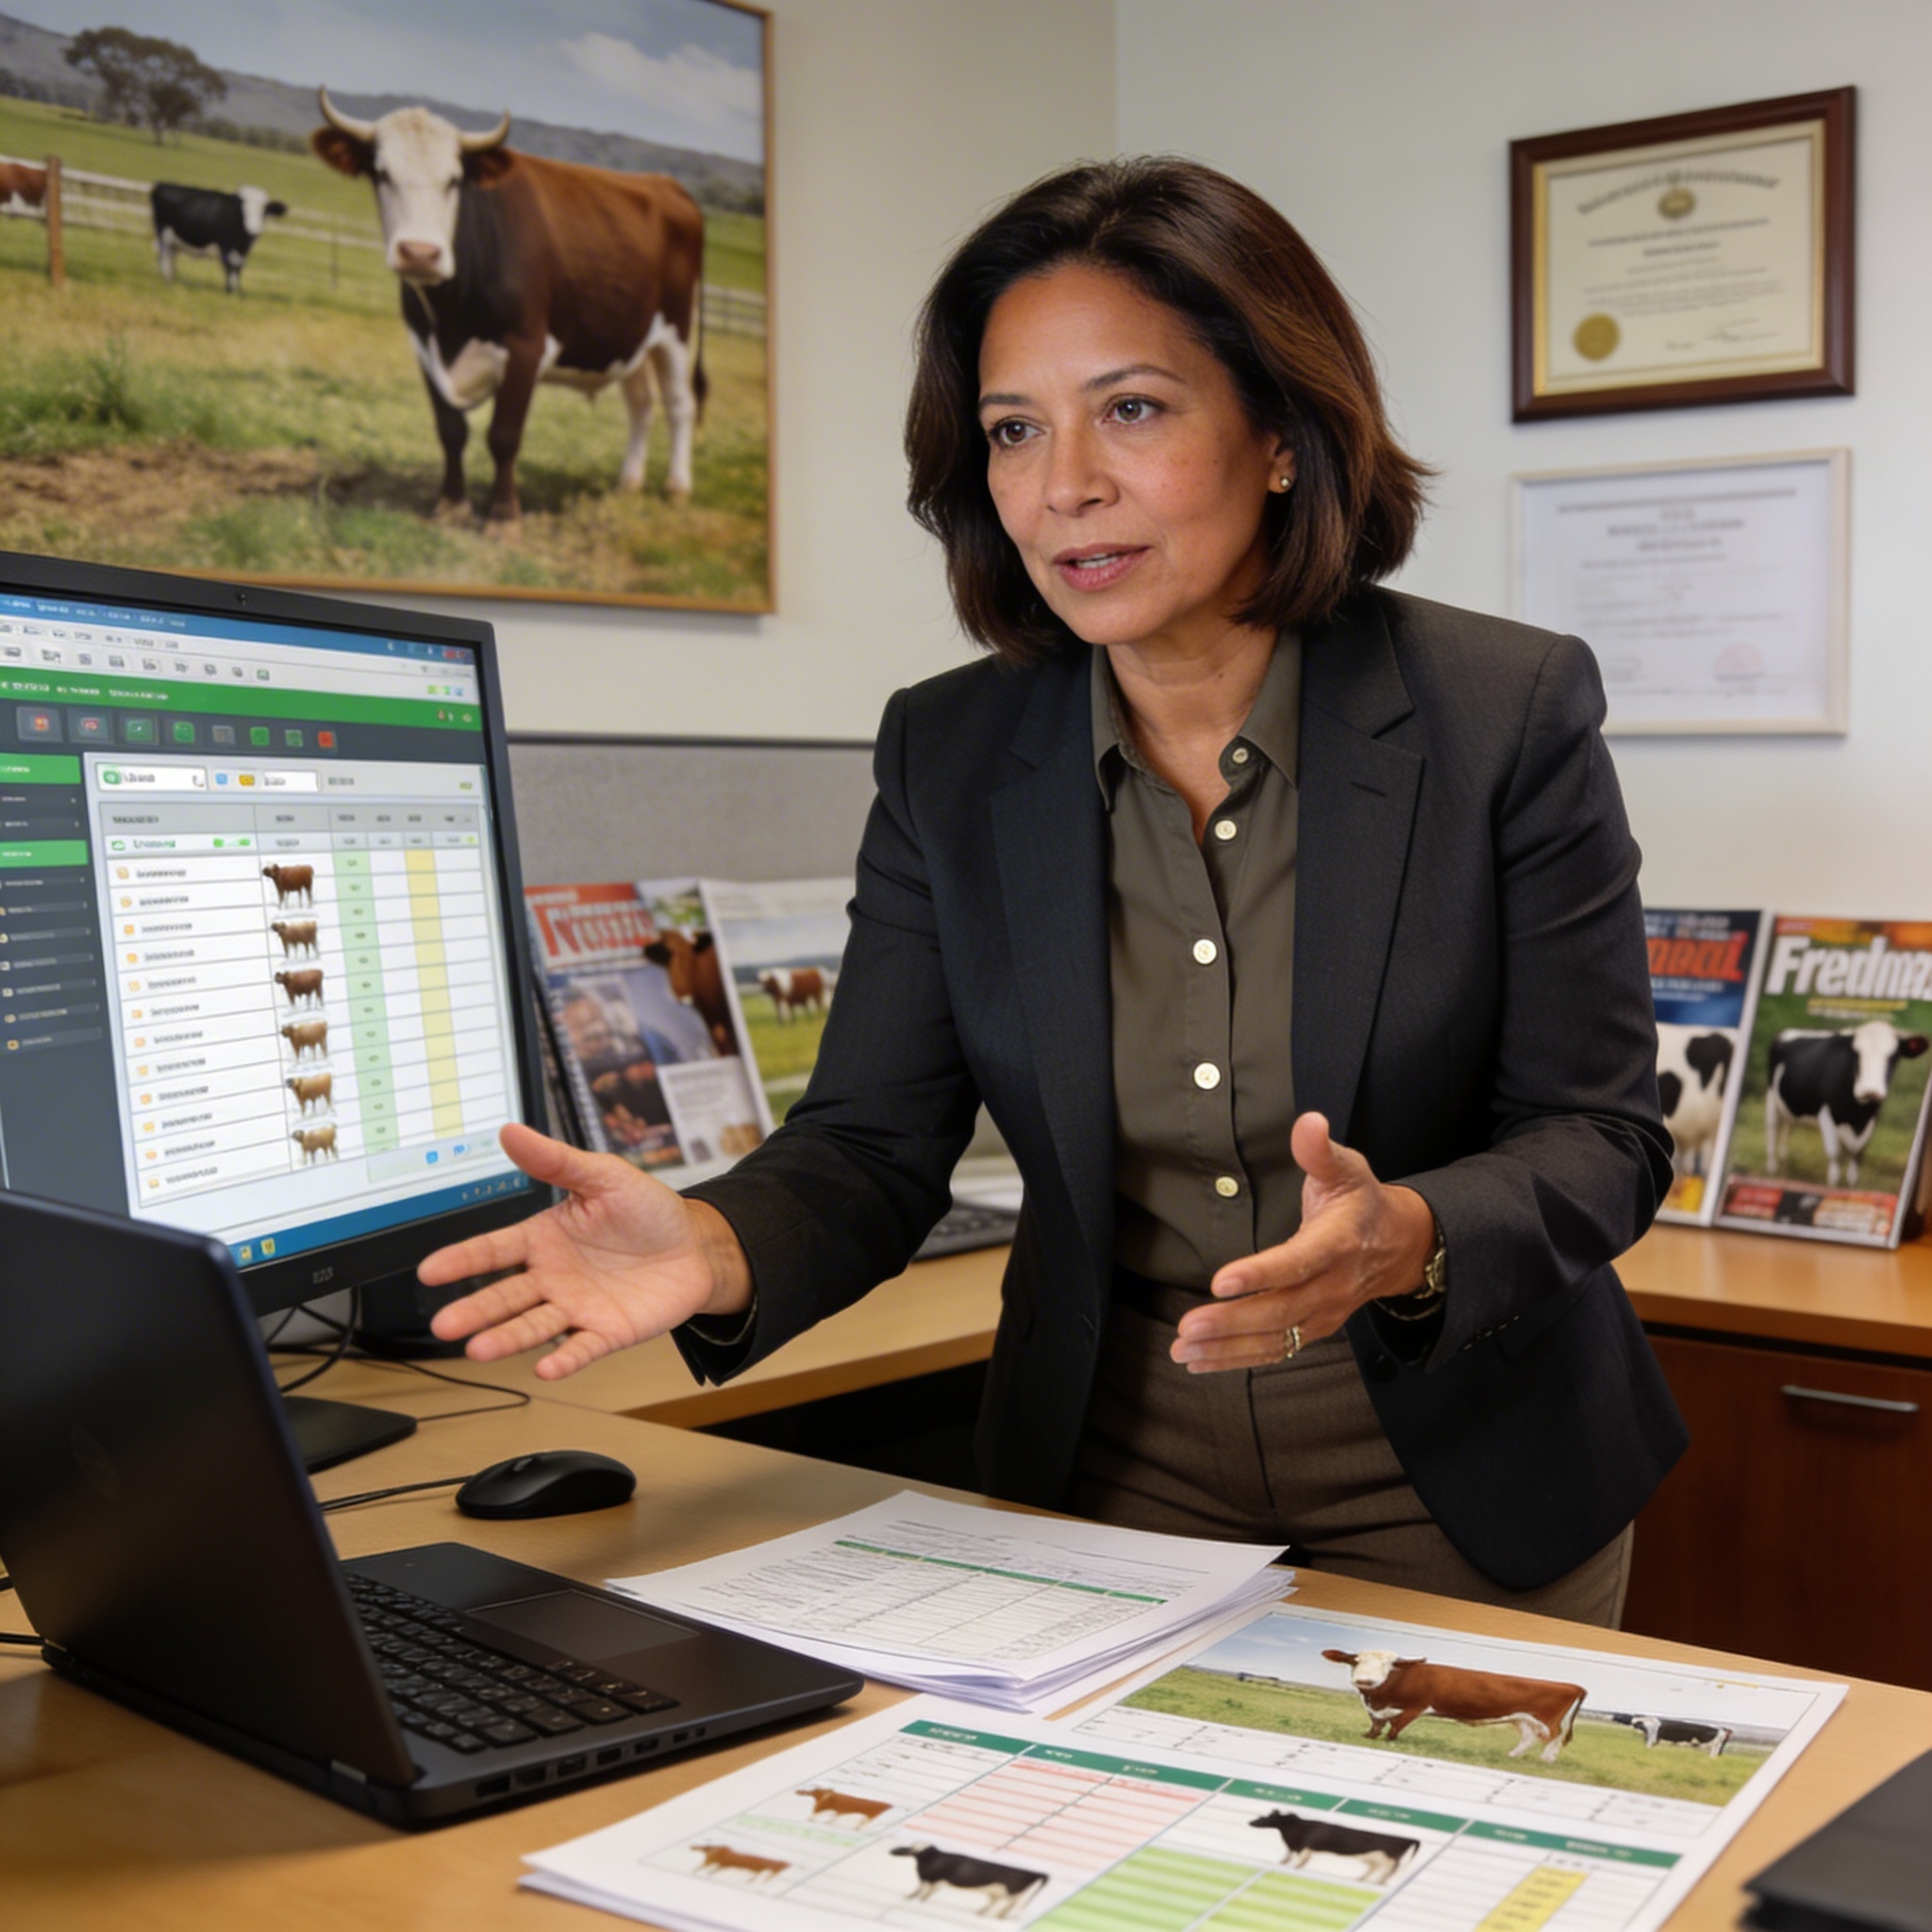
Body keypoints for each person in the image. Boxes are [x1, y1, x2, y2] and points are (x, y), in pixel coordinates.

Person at [424, 158, 1686, 1626]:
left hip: (1459, 1468)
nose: (1063, 485)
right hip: (1108, 1474)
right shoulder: (950, 749)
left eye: (1132, 410)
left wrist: (1412, 1232)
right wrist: (710, 1245)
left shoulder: (1501, 709)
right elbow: (870, 1144)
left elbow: (1601, 1135)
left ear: (1279, 431)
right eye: (1015, 430)